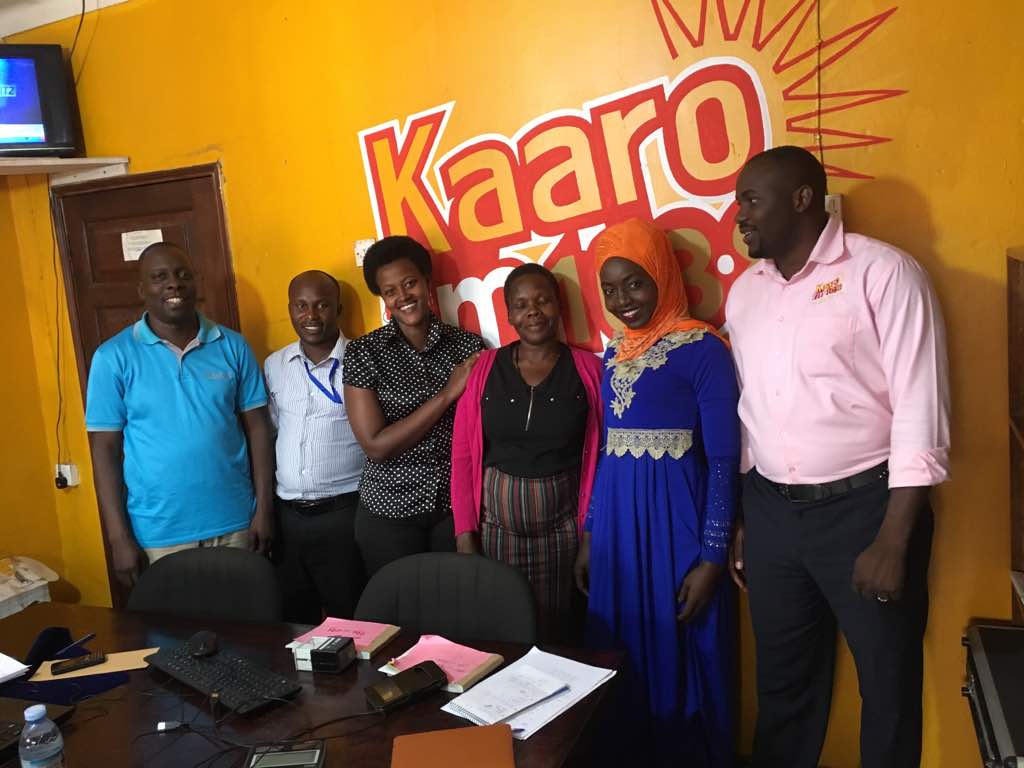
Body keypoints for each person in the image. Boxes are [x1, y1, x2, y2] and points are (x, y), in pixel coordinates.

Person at [727, 146, 950, 768]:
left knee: (886, 688)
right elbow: (752, 413)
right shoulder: (746, 294)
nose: (737, 214)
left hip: (867, 511)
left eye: (750, 199)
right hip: (771, 514)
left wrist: (894, 539)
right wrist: (747, 522)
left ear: (803, 199)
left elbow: (920, 407)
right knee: (783, 687)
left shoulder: (883, 273)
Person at [575, 218, 739, 767]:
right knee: (622, 650)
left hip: (677, 528)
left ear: (664, 277)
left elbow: (722, 459)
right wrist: (592, 534)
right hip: (621, 531)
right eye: (610, 289)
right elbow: (606, 451)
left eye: (636, 283)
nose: (623, 300)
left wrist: (713, 558)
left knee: (684, 644)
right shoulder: (612, 354)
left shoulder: (703, 349)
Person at [85, 242, 274, 588]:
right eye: (160, 277)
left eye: (182, 275)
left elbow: (259, 429)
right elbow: (104, 449)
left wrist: (264, 509)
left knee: (247, 631)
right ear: (143, 290)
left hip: (236, 522)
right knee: (176, 638)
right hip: (159, 534)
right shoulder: (113, 357)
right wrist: (117, 538)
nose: (173, 284)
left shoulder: (232, 346)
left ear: (195, 282)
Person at [450, 263, 602, 643]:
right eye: (521, 304)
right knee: (503, 633)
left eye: (543, 301)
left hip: (562, 537)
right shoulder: (484, 368)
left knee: (557, 635)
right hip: (495, 535)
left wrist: (589, 538)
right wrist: (465, 534)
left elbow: (602, 461)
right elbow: (463, 456)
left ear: (558, 306)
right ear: (509, 314)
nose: (533, 311)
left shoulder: (588, 370)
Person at [343, 236, 484, 576]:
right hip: (388, 515)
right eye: (391, 291)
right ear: (382, 297)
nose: (403, 297)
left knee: (457, 616)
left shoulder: (467, 347)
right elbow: (376, 446)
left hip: (454, 511)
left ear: (426, 281)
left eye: (410, 284)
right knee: (401, 618)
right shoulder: (364, 353)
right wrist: (447, 395)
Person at [264, 270, 367, 623]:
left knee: (352, 617)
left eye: (322, 305)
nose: (311, 316)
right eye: (301, 306)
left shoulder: (362, 360)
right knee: (295, 620)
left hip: (344, 513)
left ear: (337, 308)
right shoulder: (275, 365)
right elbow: (274, 429)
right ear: (290, 309)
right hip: (288, 518)